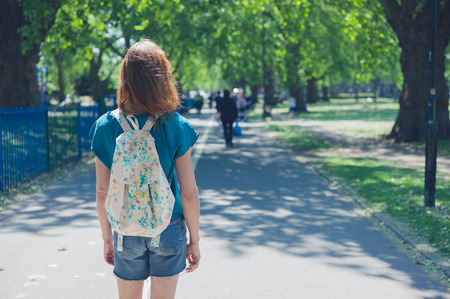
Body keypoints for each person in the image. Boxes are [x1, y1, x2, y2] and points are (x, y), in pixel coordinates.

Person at [89, 39, 200, 299]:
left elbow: (102, 192)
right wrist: (193, 239)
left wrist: (107, 237)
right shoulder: (176, 125)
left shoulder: (104, 127)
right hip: (168, 226)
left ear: (125, 77)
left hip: (125, 230)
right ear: (162, 78)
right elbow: (189, 193)